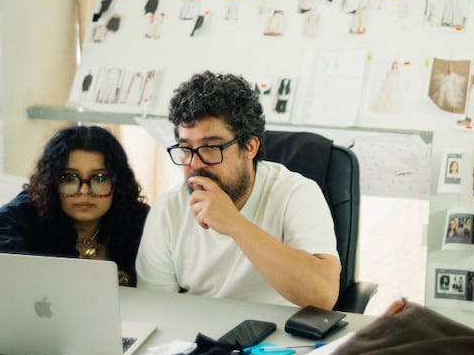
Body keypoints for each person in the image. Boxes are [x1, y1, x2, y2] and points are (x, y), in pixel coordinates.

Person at [136, 71, 340, 308]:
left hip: (281, 337)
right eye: (185, 148)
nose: (195, 164)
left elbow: (323, 295)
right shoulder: (169, 209)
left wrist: (235, 224)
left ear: (250, 147)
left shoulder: (296, 193)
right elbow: (155, 308)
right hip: (200, 338)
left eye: (210, 147)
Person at [0, 126, 149, 287]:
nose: (84, 191)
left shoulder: (139, 219)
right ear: (52, 183)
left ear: (118, 183)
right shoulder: (33, 208)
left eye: (99, 178)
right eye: (69, 178)